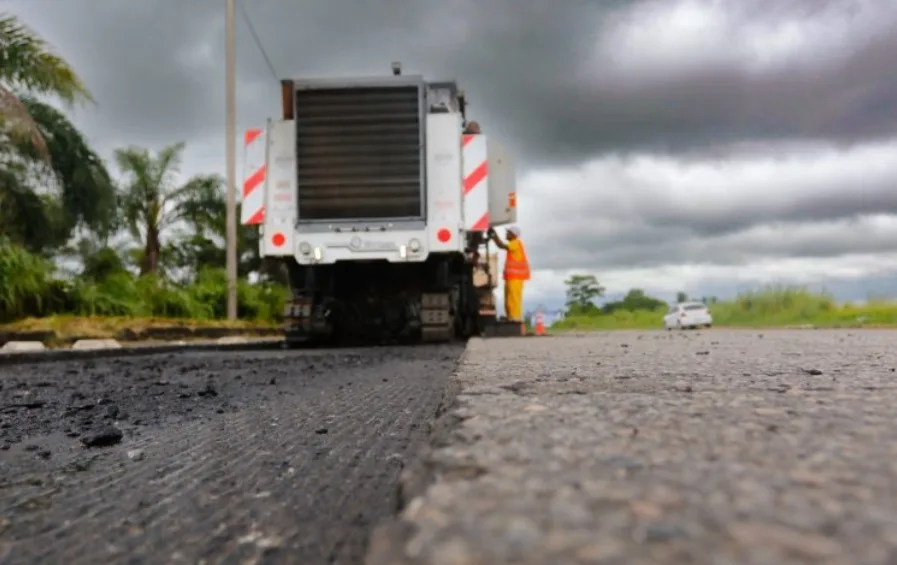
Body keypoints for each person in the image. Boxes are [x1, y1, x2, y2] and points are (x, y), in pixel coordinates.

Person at [487, 226, 530, 322]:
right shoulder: (513, 243)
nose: (506, 234)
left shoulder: (516, 243)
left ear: (513, 235)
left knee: (514, 298)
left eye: (508, 232)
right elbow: (501, 245)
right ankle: (510, 317)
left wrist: (494, 236)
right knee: (508, 299)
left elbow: (502, 245)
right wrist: (494, 236)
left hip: (516, 277)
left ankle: (515, 318)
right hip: (511, 278)